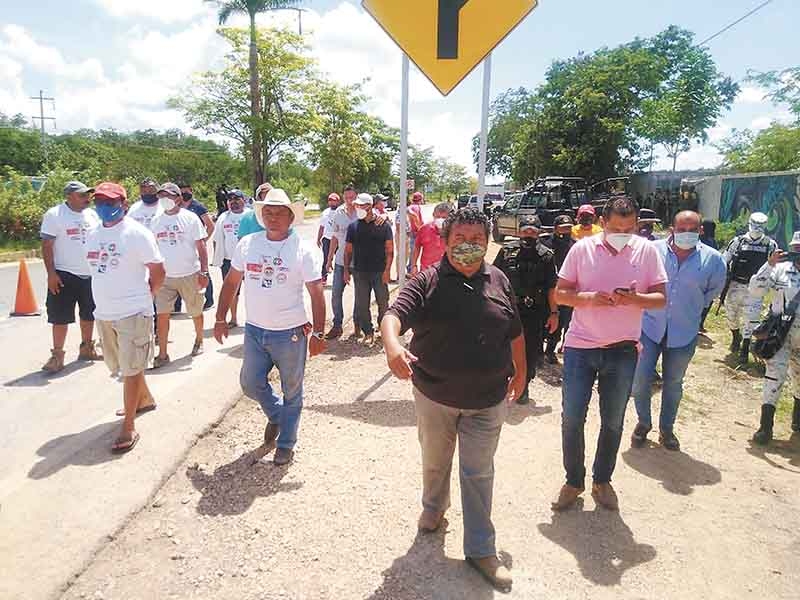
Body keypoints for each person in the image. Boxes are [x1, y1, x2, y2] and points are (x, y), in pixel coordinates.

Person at [381, 208, 526, 591]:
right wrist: (393, 345)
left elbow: (514, 330)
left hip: (487, 398)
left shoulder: (499, 279)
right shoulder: (426, 280)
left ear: (488, 242)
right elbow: (393, 315)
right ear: (444, 242)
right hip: (435, 395)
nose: (469, 246)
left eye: (477, 239)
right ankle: (433, 509)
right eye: (460, 238)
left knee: (478, 472)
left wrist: (522, 371)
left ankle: (481, 549)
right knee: (435, 460)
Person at [553, 196, 667, 511]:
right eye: (617, 228)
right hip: (580, 346)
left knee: (613, 421)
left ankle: (602, 481)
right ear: (603, 223)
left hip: (623, 350)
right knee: (572, 419)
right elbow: (561, 294)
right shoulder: (581, 249)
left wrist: (635, 298)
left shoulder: (647, 252)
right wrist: (588, 297)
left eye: (629, 228)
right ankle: (573, 481)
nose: (623, 233)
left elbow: (660, 299)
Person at [214, 188, 326, 466]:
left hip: (290, 333)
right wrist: (219, 318)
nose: (273, 217)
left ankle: (286, 443)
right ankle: (279, 416)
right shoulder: (248, 244)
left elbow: (316, 293)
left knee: (292, 390)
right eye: (268, 212)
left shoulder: (304, 249)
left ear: (290, 217)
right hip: (254, 330)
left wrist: (319, 333)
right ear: (261, 216)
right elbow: (231, 282)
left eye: (279, 213)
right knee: (250, 383)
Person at [630, 211, 727, 451]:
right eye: (681, 229)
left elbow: (711, 293)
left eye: (692, 229)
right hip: (649, 328)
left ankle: (667, 429)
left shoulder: (714, 260)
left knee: (673, 383)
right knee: (640, 380)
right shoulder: (652, 251)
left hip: (684, 332)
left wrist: (689, 308)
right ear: (671, 229)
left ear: (700, 230)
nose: (686, 233)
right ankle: (643, 423)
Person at [85, 182, 165, 453]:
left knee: (131, 367)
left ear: (123, 204)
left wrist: (147, 298)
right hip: (104, 312)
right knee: (121, 364)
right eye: (100, 202)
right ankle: (144, 400)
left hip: (133, 311)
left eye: (110, 202)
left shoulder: (136, 233)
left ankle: (129, 425)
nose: (104, 207)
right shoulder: (93, 233)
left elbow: (158, 270)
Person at [493, 214, 559, 402]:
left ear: (538, 233)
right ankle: (504, 384)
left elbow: (551, 287)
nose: (528, 235)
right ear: (519, 232)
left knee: (530, 350)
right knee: (502, 348)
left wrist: (554, 313)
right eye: (525, 231)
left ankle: (524, 385)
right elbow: (493, 278)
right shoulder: (507, 251)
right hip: (508, 310)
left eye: (532, 231)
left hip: (533, 312)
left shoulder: (546, 255)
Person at [40, 180, 102, 373]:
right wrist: (51, 274)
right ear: (69, 196)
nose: (87, 198)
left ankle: (87, 348)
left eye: (88, 195)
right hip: (64, 274)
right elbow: (47, 245)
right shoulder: (55, 215)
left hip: (90, 274)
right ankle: (57, 355)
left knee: (89, 313)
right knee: (60, 317)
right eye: (82, 195)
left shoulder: (92, 215)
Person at [150, 183, 210, 367]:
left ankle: (199, 340)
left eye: (167, 196)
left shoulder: (190, 218)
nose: (163, 200)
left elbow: (201, 246)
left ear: (177, 198)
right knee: (162, 314)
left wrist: (204, 271)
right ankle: (163, 354)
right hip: (165, 277)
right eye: (161, 196)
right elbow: (152, 250)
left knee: (195, 311)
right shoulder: (156, 221)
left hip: (189, 273)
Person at [749, 233, 800, 445]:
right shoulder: (780, 270)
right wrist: (769, 265)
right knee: (774, 376)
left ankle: (797, 420)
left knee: (798, 378)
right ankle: (765, 427)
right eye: (797, 248)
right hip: (780, 333)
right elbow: (755, 290)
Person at [723, 212, 778, 364]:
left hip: (756, 289)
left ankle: (745, 348)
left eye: (761, 225)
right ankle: (736, 336)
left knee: (751, 319)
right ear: (749, 223)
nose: (757, 227)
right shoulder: (738, 241)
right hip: (736, 284)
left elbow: (774, 268)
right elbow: (724, 260)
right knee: (731, 315)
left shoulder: (770, 244)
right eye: (755, 223)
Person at [344, 193, 394, 345]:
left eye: (361, 205)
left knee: (383, 302)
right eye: (357, 205)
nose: (358, 208)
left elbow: (390, 250)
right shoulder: (353, 227)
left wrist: (387, 271)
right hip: (360, 272)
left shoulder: (383, 225)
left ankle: (383, 328)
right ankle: (368, 332)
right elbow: (348, 251)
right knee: (362, 304)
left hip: (379, 271)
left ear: (370, 206)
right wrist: (346, 270)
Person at [211, 189, 252, 328]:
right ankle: (233, 319)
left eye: (237, 199)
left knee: (253, 290)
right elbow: (216, 238)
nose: (233, 202)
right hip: (229, 260)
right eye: (231, 200)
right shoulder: (223, 217)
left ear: (243, 200)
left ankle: (253, 318)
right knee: (232, 291)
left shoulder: (250, 216)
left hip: (250, 260)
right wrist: (217, 258)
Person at [326, 185, 360, 339]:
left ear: (356, 196)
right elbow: (334, 237)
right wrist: (329, 259)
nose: (349, 200)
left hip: (359, 261)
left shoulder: (362, 212)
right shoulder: (338, 213)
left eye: (352, 197)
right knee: (335, 294)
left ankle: (358, 325)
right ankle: (337, 325)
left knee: (360, 295)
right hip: (340, 260)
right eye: (346, 197)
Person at [543, 214, 576, 362]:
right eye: (562, 228)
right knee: (545, 318)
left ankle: (550, 350)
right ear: (555, 229)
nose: (565, 231)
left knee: (563, 320)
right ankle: (539, 350)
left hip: (567, 290)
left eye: (568, 228)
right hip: (548, 288)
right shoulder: (546, 244)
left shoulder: (575, 246)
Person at [178, 183, 215, 310]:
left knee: (203, 272)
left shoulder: (198, 207)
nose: (184, 195)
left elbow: (210, 226)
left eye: (186, 192)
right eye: (181, 192)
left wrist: (204, 241)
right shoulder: (177, 207)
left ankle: (209, 300)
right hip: (182, 246)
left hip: (197, 245)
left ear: (191, 191)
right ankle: (176, 304)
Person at [410, 202, 451, 276]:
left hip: (447, 273)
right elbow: (417, 247)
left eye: (444, 217)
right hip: (427, 272)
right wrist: (414, 266)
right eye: (438, 217)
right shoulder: (424, 229)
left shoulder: (453, 231)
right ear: (433, 215)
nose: (440, 219)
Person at [317, 193, 340, 283]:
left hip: (338, 239)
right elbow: (322, 226)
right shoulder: (325, 212)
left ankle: (341, 276)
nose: (332, 202)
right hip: (327, 239)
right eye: (330, 200)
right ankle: (324, 276)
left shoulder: (341, 211)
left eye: (334, 200)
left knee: (339, 259)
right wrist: (318, 238)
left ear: (338, 201)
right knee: (326, 258)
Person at [407, 191, 426, 273]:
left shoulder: (413, 206)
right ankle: (411, 269)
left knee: (413, 252)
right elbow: (415, 216)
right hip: (416, 232)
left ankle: (410, 268)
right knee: (414, 252)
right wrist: (419, 228)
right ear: (420, 199)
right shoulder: (416, 207)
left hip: (414, 232)